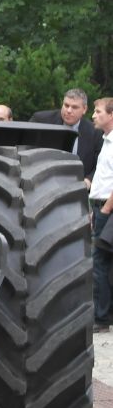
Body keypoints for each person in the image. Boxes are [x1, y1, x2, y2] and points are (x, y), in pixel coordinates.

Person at [31, 88, 103, 189]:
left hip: (78, 190)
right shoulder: (41, 120)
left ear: (84, 109)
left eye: (74, 107)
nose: (68, 110)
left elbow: (100, 163)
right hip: (41, 184)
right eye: (66, 105)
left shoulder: (95, 132)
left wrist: (89, 179)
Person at [88, 97, 113, 332]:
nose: (94, 116)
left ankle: (102, 317)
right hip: (101, 205)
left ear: (111, 115)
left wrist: (105, 209)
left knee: (100, 262)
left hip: (108, 206)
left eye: (97, 112)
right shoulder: (106, 141)